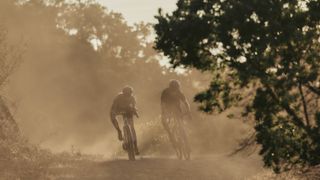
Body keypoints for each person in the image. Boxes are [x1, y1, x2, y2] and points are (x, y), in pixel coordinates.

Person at [110, 86, 139, 155]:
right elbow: (113, 108)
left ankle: (135, 147)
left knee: (132, 128)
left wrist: (135, 112)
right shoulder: (118, 98)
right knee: (112, 116)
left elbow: (134, 107)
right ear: (123, 93)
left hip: (127, 110)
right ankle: (119, 131)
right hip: (118, 109)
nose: (128, 96)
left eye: (129, 94)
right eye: (126, 94)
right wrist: (113, 113)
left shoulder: (132, 98)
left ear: (131, 93)